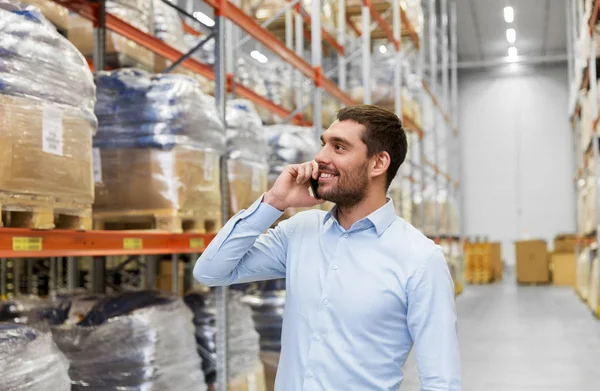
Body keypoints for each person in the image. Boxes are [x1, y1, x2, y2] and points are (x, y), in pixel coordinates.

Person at [194, 104, 462, 391]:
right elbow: (211, 271)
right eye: (324, 145)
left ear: (378, 163)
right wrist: (274, 202)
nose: (321, 157)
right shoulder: (300, 232)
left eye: (339, 147)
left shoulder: (420, 259)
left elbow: (441, 380)